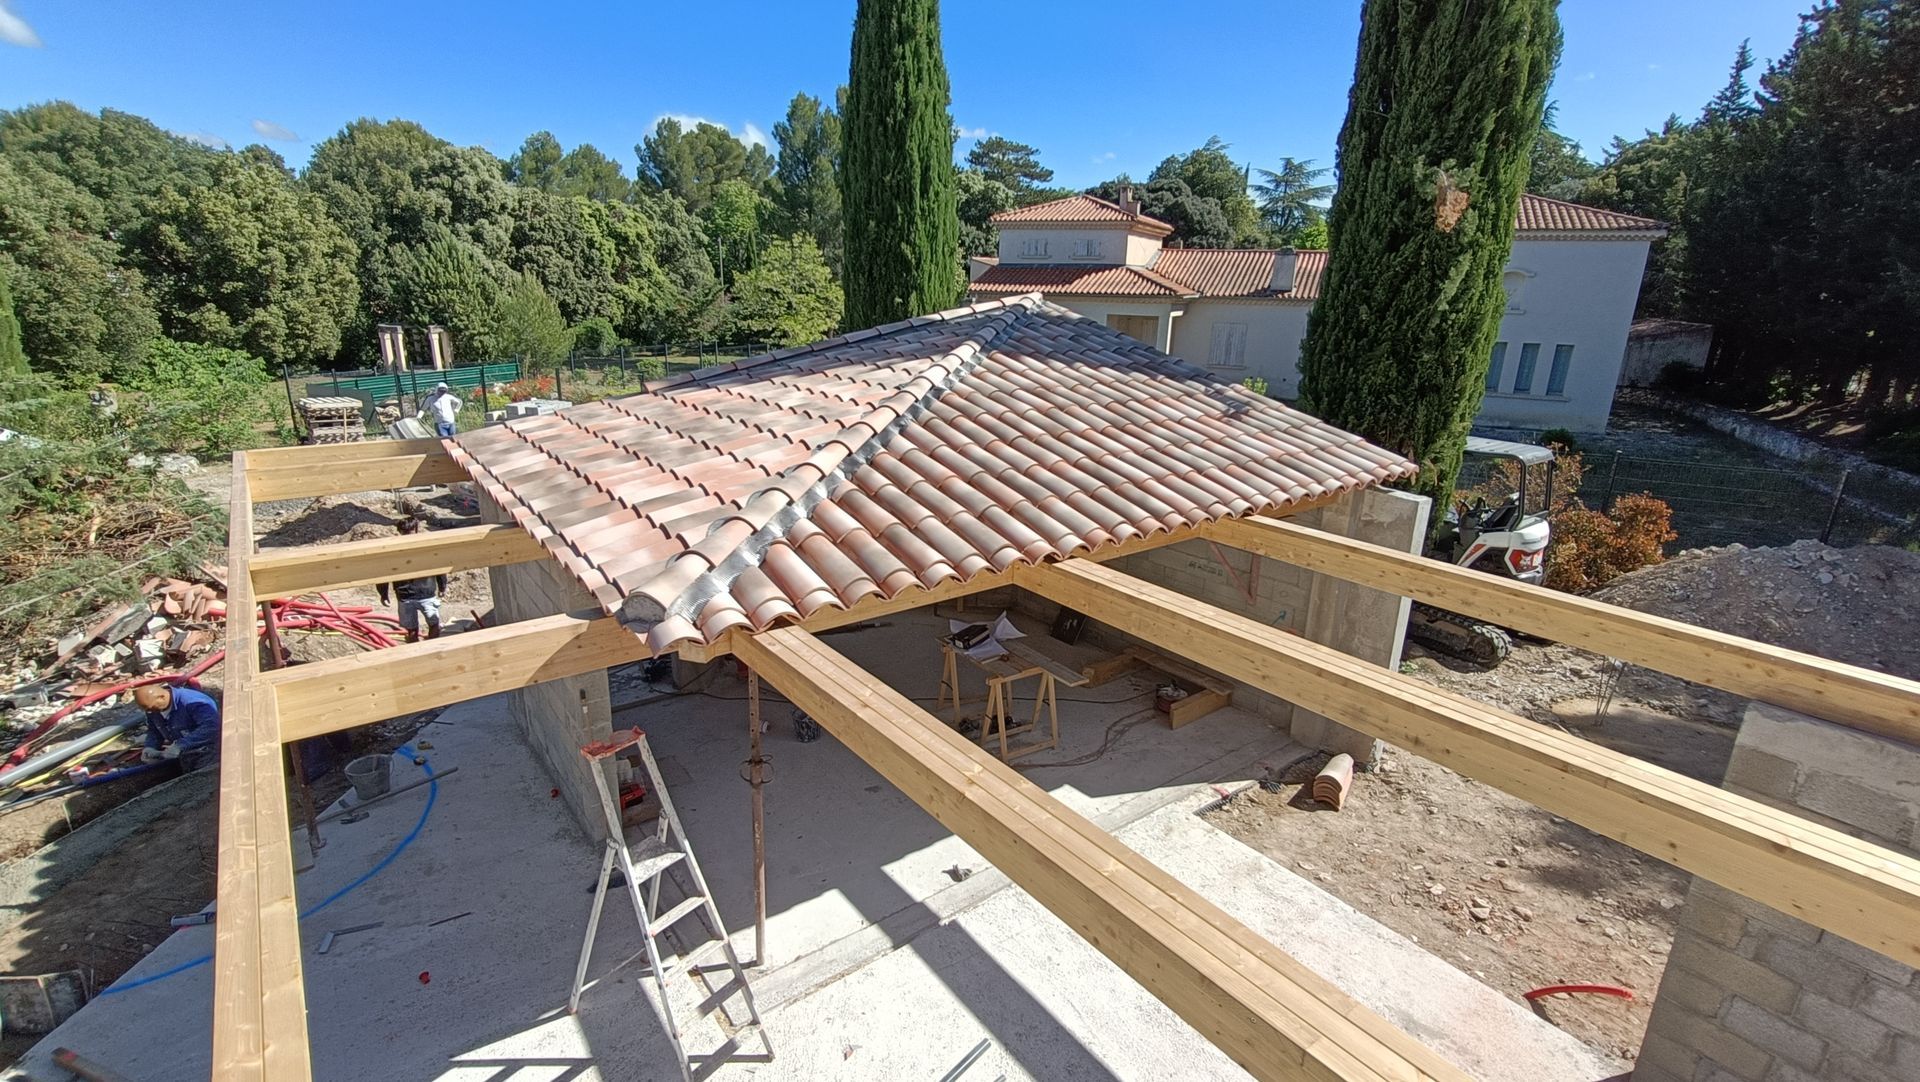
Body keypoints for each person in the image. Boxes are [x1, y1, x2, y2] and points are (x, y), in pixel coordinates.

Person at [378, 517, 449, 643]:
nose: (407, 536)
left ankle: (431, 647)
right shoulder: (394, 551)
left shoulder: (424, 548)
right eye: (405, 532)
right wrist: (383, 593)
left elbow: (438, 566)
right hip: (408, 595)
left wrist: (442, 586)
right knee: (414, 630)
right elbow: (384, 572)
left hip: (423, 594)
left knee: (433, 625)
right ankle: (417, 651)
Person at [131, 683, 220, 772]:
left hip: (210, 750)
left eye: (150, 708)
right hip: (185, 756)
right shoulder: (152, 707)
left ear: (161, 697)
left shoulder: (192, 702)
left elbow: (212, 727)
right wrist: (150, 747)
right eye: (147, 710)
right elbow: (154, 731)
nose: (149, 711)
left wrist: (180, 745)